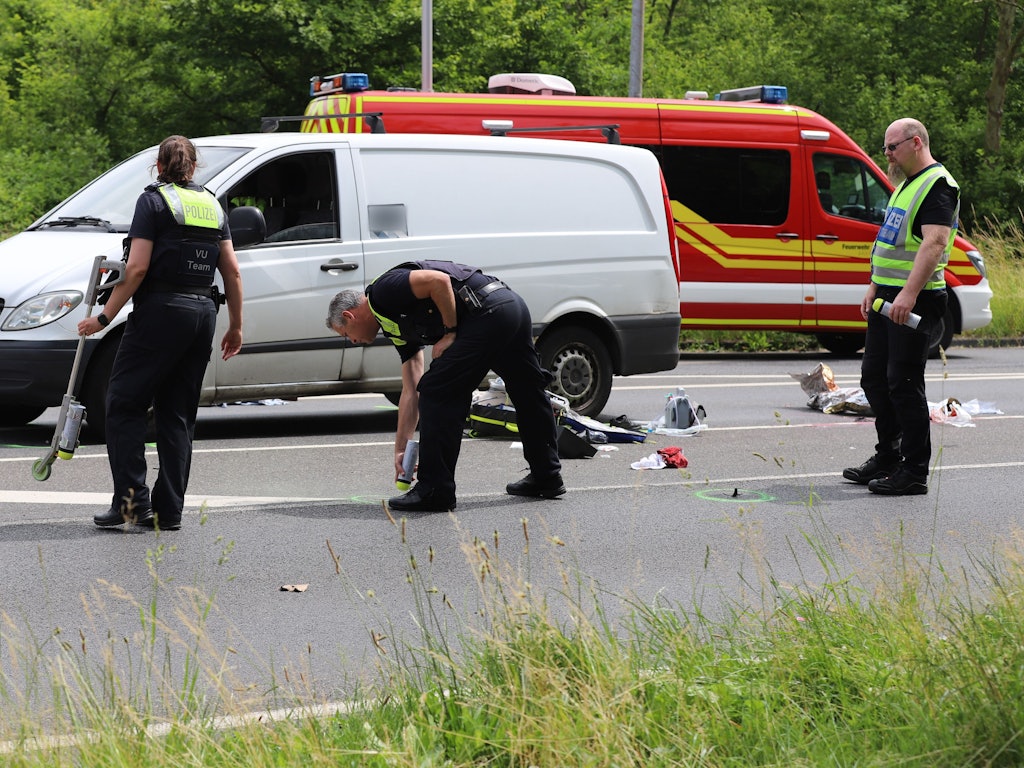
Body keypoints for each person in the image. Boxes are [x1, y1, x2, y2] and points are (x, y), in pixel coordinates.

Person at [78, 135, 244, 529]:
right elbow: (232, 270)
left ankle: (132, 505)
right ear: (194, 165)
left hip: (161, 313)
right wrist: (236, 325)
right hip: (203, 314)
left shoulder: (152, 201)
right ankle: (169, 512)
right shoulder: (211, 203)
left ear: (159, 165)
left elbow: (135, 269)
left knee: (123, 404)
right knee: (177, 415)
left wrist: (102, 318)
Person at [326, 260, 564, 512]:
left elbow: (437, 281)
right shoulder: (391, 323)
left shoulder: (383, 290)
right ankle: (546, 476)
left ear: (348, 316)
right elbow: (411, 389)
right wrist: (401, 451)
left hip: (487, 313)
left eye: (346, 334)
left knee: (438, 392)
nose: (352, 341)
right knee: (527, 391)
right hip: (508, 307)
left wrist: (450, 332)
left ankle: (435, 490)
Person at [843, 118, 959, 495]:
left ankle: (914, 472)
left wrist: (908, 293)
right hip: (887, 296)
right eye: (885, 147)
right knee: (875, 379)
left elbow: (935, 243)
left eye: (891, 147)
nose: (887, 154)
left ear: (915, 142)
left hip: (916, 298)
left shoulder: (938, 185)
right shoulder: (904, 186)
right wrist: (874, 285)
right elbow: (889, 242)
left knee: (905, 383)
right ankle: (888, 456)